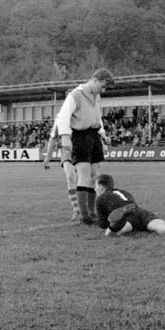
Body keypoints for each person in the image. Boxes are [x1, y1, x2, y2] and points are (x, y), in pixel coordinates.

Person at [55, 68, 114, 225]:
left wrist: (102, 133)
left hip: (94, 136)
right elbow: (63, 118)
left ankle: (92, 212)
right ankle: (84, 215)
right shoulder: (75, 95)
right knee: (84, 175)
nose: (103, 90)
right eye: (103, 86)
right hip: (80, 136)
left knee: (94, 175)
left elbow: (97, 117)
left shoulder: (96, 96)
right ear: (95, 80)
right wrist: (65, 138)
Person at [94, 173, 165, 236]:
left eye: (96, 186)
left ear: (101, 186)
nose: (95, 189)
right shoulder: (124, 192)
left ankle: (120, 221)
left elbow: (102, 225)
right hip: (139, 212)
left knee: (110, 233)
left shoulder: (101, 198)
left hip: (128, 217)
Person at [43, 93, 80, 224]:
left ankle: (87, 208)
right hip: (67, 150)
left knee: (85, 179)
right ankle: (76, 209)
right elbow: (53, 138)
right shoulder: (60, 117)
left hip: (82, 148)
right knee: (70, 177)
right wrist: (47, 158)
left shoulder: (82, 114)